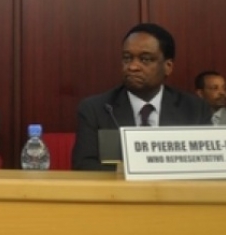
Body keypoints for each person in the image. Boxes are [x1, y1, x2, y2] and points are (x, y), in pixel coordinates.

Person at [71, 23, 211, 171]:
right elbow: (84, 167)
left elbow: (207, 164)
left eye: (145, 59)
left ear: (168, 66)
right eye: (127, 58)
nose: (132, 67)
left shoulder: (194, 109)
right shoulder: (95, 109)